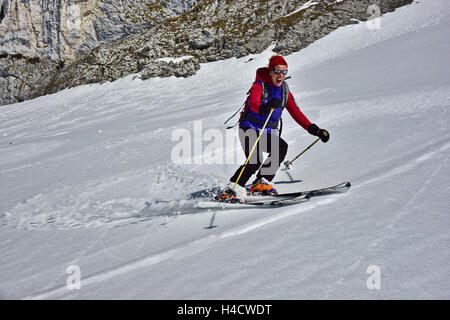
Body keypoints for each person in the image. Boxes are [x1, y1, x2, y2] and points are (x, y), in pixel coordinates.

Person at [218, 55, 329, 202]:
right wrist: (266, 107)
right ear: (270, 72)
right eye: (277, 71)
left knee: (280, 147)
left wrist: (314, 129)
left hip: (266, 131)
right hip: (248, 128)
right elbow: (253, 104)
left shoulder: (285, 91)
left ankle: (261, 183)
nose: (281, 75)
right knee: (255, 160)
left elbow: (296, 113)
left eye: (284, 72)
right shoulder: (259, 85)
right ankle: (231, 189)